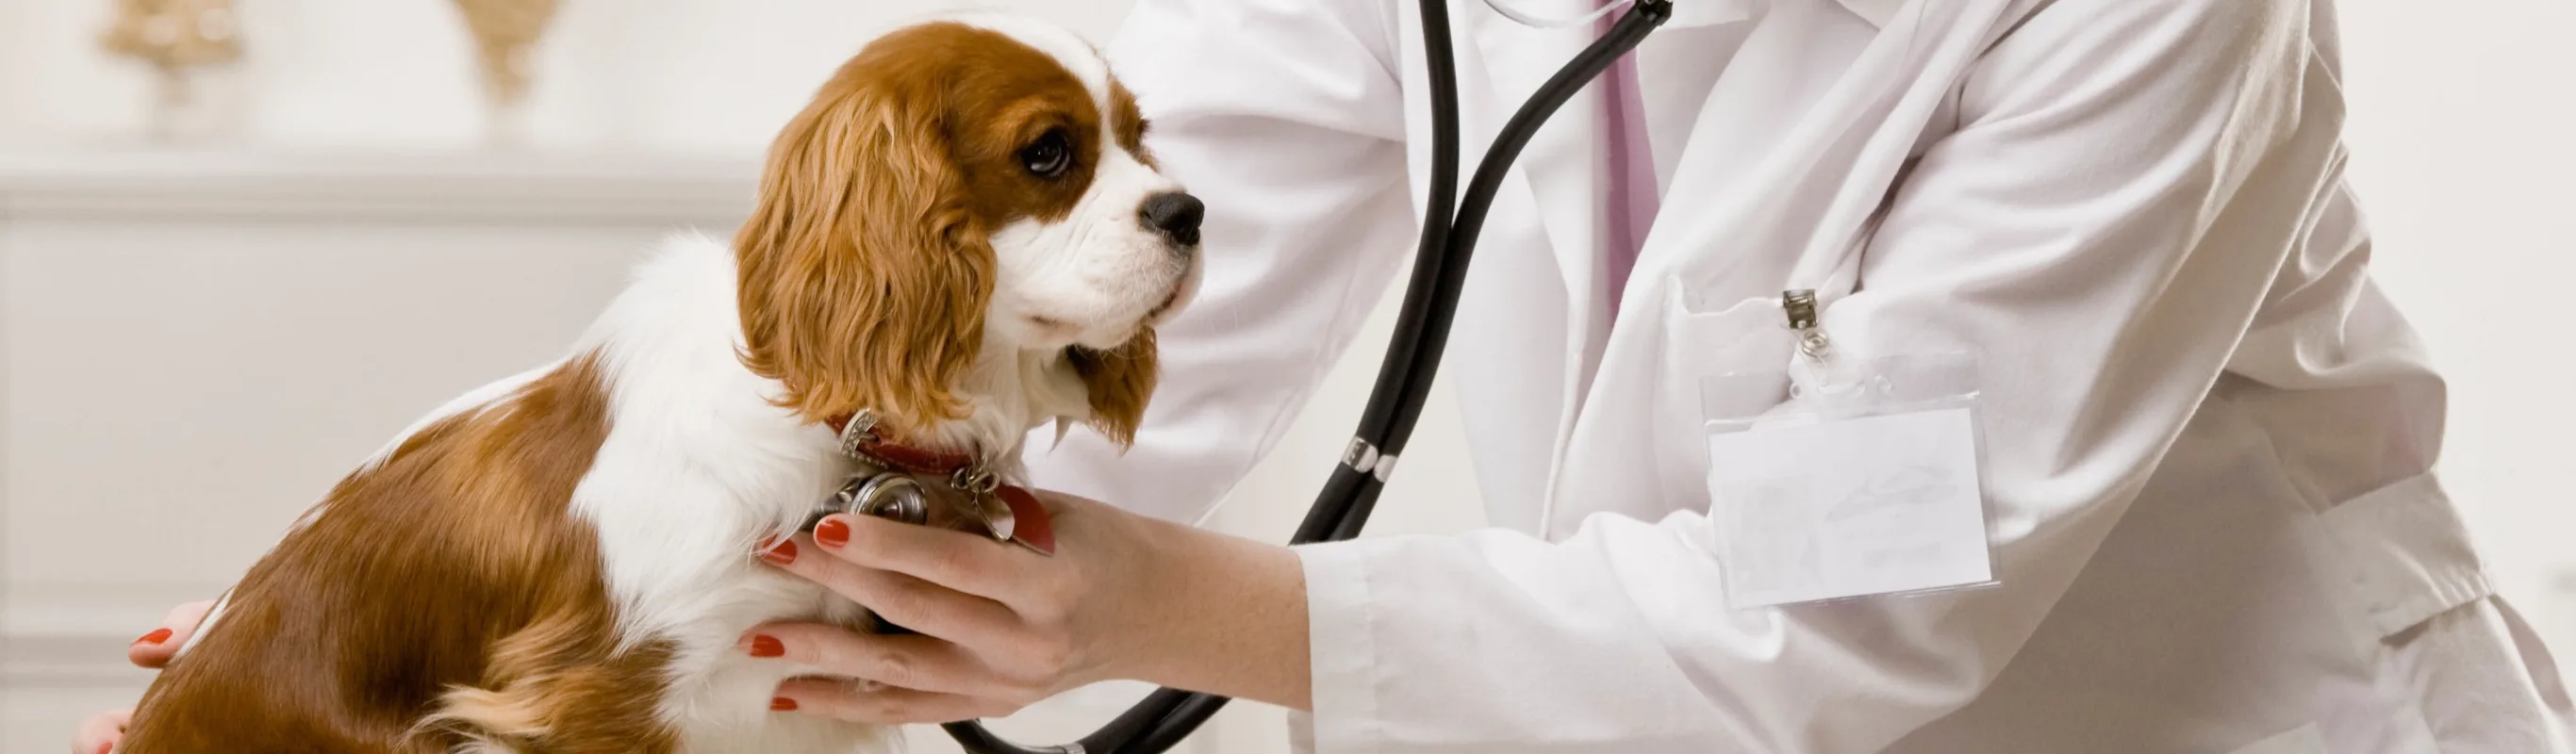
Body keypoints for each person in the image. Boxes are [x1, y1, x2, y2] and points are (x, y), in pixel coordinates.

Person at [75, 0, 2576, 751]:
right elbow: (997, 312)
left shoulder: (2153, 9)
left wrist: (1168, 604)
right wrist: (366, 614)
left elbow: (1848, 612)